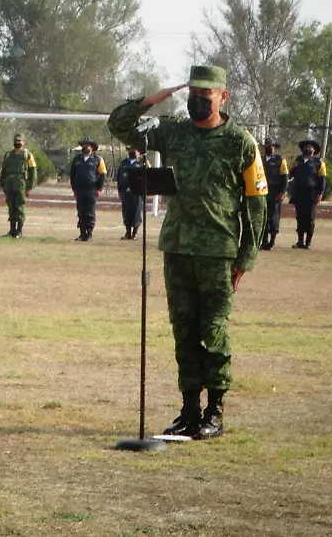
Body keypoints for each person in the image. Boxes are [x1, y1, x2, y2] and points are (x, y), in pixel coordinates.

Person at [107, 64, 267, 441]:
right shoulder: (175, 133)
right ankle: (189, 410)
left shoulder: (240, 142)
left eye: (205, 95)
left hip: (217, 252)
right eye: (192, 94)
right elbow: (118, 126)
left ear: (222, 96)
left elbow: (256, 204)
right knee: (183, 332)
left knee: (212, 332)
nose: (197, 101)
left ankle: (215, 411)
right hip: (177, 247)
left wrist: (246, 258)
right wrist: (149, 100)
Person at [288, 139, 326, 249]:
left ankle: (308, 242)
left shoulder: (319, 162)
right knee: (300, 218)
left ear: (314, 150)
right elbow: (291, 174)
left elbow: (322, 180)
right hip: (299, 193)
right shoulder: (298, 160)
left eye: (310, 147)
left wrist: (320, 194)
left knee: (310, 218)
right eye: (306, 147)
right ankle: (300, 241)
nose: (308, 148)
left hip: (312, 194)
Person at [0, 133, 37, 238]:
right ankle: (12, 230)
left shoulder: (27, 155)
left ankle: (19, 231)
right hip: (9, 184)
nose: (17, 143)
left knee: (20, 207)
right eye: (16, 141)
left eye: (20, 141)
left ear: (23, 142)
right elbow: (4, 171)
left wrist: (29, 187)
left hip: (21, 184)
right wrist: (2, 184)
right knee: (11, 207)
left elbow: (32, 171)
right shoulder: (8, 155)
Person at [70, 138, 108, 241]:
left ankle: (89, 234)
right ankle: (82, 233)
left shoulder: (98, 159)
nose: (85, 147)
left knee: (90, 212)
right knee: (81, 211)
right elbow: (72, 175)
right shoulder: (77, 160)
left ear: (92, 147)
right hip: (80, 190)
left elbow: (103, 175)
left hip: (92, 190)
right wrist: (74, 189)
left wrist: (99, 188)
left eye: (87, 145)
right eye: (83, 145)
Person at [261, 139, 289, 251]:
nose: (270, 148)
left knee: (273, 218)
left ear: (275, 148)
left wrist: (282, 192)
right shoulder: (260, 159)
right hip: (262, 191)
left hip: (275, 192)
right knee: (263, 218)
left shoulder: (280, 160)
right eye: (268, 146)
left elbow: (285, 178)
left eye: (272, 146)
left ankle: (272, 242)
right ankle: (264, 241)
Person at [116, 146, 145, 239]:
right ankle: (127, 233)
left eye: (135, 149)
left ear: (139, 152)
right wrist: (120, 190)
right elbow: (119, 177)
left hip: (137, 192)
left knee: (136, 212)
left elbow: (147, 178)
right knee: (126, 212)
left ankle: (135, 233)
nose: (133, 151)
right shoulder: (124, 163)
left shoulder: (142, 163)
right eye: (131, 149)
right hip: (125, 192)